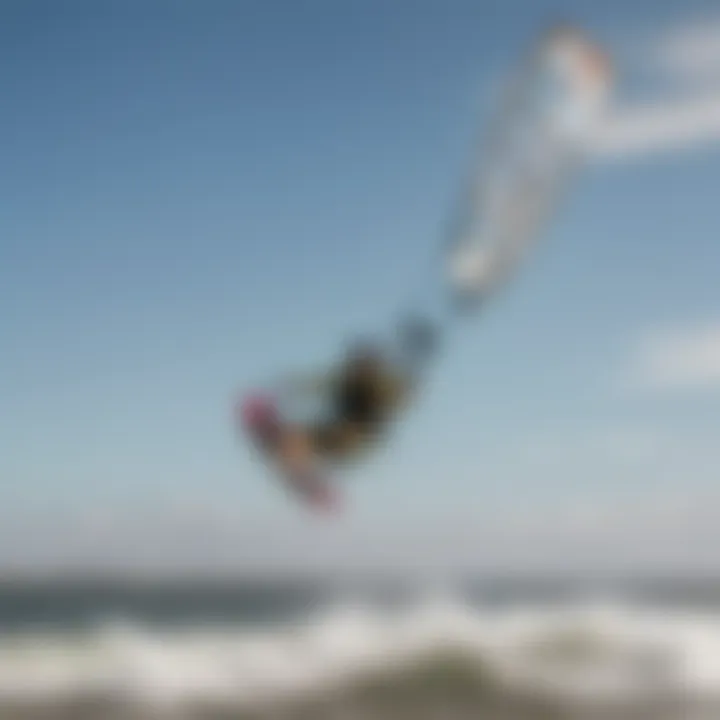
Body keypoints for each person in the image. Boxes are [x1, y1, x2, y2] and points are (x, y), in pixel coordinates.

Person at [240, 316, 439, 481]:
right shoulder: (348, 379)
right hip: (343, 436)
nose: (355, 369)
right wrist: (283, 388)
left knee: (303, 438)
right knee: (304, 435)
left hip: (357, 440)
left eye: (360, 366)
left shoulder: (379, 385)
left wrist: (402, 385)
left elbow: (401, 396)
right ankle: (290, 455)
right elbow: (319, 384)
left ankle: (292, 459)